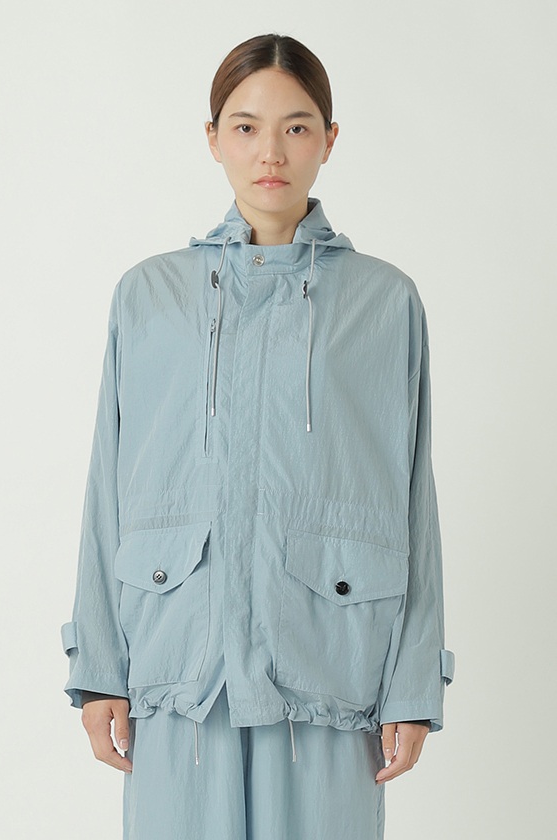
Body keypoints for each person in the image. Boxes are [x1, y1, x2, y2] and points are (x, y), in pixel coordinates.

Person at [60, 32, 455, 840]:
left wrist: (414, 684)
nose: (270, 151)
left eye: (296, 127)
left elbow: (413, 496)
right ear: (213, 139)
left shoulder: (385, 303)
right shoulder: (149, 297)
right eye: (245, 127)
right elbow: (109, 489)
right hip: (179, 670)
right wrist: (98, 669)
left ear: (329, 140)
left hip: (329, 667)